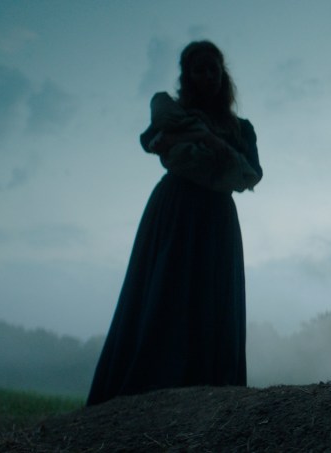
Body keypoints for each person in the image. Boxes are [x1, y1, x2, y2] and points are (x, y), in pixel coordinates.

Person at [87, 40, 262, 406]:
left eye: (213, 69)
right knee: (167, 288)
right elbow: (157, 145)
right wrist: (208, 146)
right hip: (177, 210)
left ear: (223, 74)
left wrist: (208, 143)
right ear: (187, 76)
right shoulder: (173, 114)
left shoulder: (241, 128)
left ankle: (209, 387)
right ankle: (150, 387)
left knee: (213, 294)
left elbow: (252, 174)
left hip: (217, 217)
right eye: (199, 70)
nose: (208, 76)